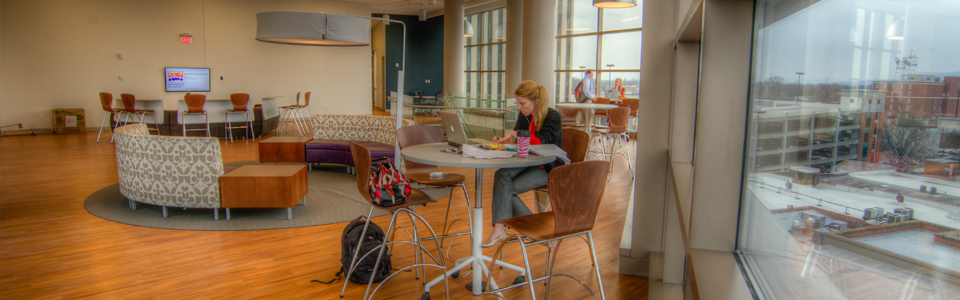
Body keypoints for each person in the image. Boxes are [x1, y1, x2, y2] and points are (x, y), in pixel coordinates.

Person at [484, 80, 565, 247]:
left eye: (522, 103)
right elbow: (519, 143)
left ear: (535, 102)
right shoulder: (525, 116)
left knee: (505, 187)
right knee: (502, 177)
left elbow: (539, 142)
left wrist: (515, 134)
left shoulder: (552, 117)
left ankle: (519, 228)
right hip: (529, 161)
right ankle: (507, 228)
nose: (519, 108)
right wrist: (505, 142)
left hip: (548, 167)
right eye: (518, 103)